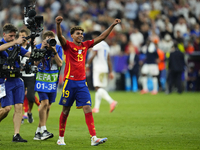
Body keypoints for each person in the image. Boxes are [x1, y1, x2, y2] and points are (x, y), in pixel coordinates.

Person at [55, 15, 121, 146]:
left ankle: (94, 138)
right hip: (69, 82)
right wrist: (58, 25)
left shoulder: (86, 45)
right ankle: (61, 138)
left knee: (88, 109)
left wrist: (112, 25)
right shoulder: (67, 46)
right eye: (78, 34)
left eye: (82, 33)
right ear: (72, 36)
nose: (81, 35)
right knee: (66, 111)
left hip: (82, 83)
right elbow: (60, 36)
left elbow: (102, 37)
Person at [0, 23, 31, 142]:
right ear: (4, 34)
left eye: (14, 36)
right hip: (4, 80)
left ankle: (16, 135)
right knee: (6, 108)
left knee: (19, 107)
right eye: (10, 36)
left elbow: (28, 54)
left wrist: (41, 49)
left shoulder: (17, 47)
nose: (13, 38)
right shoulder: (2, 44)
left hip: (17, 79)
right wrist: (15, 42)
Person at [33, 31, 63, 140]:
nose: (49, 40)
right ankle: (44, 130)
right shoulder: (37, 47)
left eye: (52, 38)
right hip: (41, 79)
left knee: (48, 107)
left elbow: (60, 64)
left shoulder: (58, 48)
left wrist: (54, 51)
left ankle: (38, 132)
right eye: (47, 38)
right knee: (44, 103)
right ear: (43, 39)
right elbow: (35, 63)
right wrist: (42, 48)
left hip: (52, 80)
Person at [86, 31, 117, 113]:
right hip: (105, 68)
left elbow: (93, 54)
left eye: (94, 37)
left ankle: (112, 101)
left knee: (97, 87)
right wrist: (111, 71)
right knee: (99, 88)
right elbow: (108, 59)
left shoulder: (97, 44)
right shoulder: (106, 45)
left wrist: (87, 65)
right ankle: (96, 108)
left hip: (98, 68)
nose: (93, 39)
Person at [18, 29, 40, 123]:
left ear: (27, 37)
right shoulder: (16, 46)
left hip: (30, 74)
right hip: (20, 74)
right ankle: (22, 115)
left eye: (23, 35)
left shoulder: (32, 46)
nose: (22, 37)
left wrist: (34, 46)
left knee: (31, 97)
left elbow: (36, 57)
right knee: (20, 97)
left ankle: (29, 112)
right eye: (20, 35)